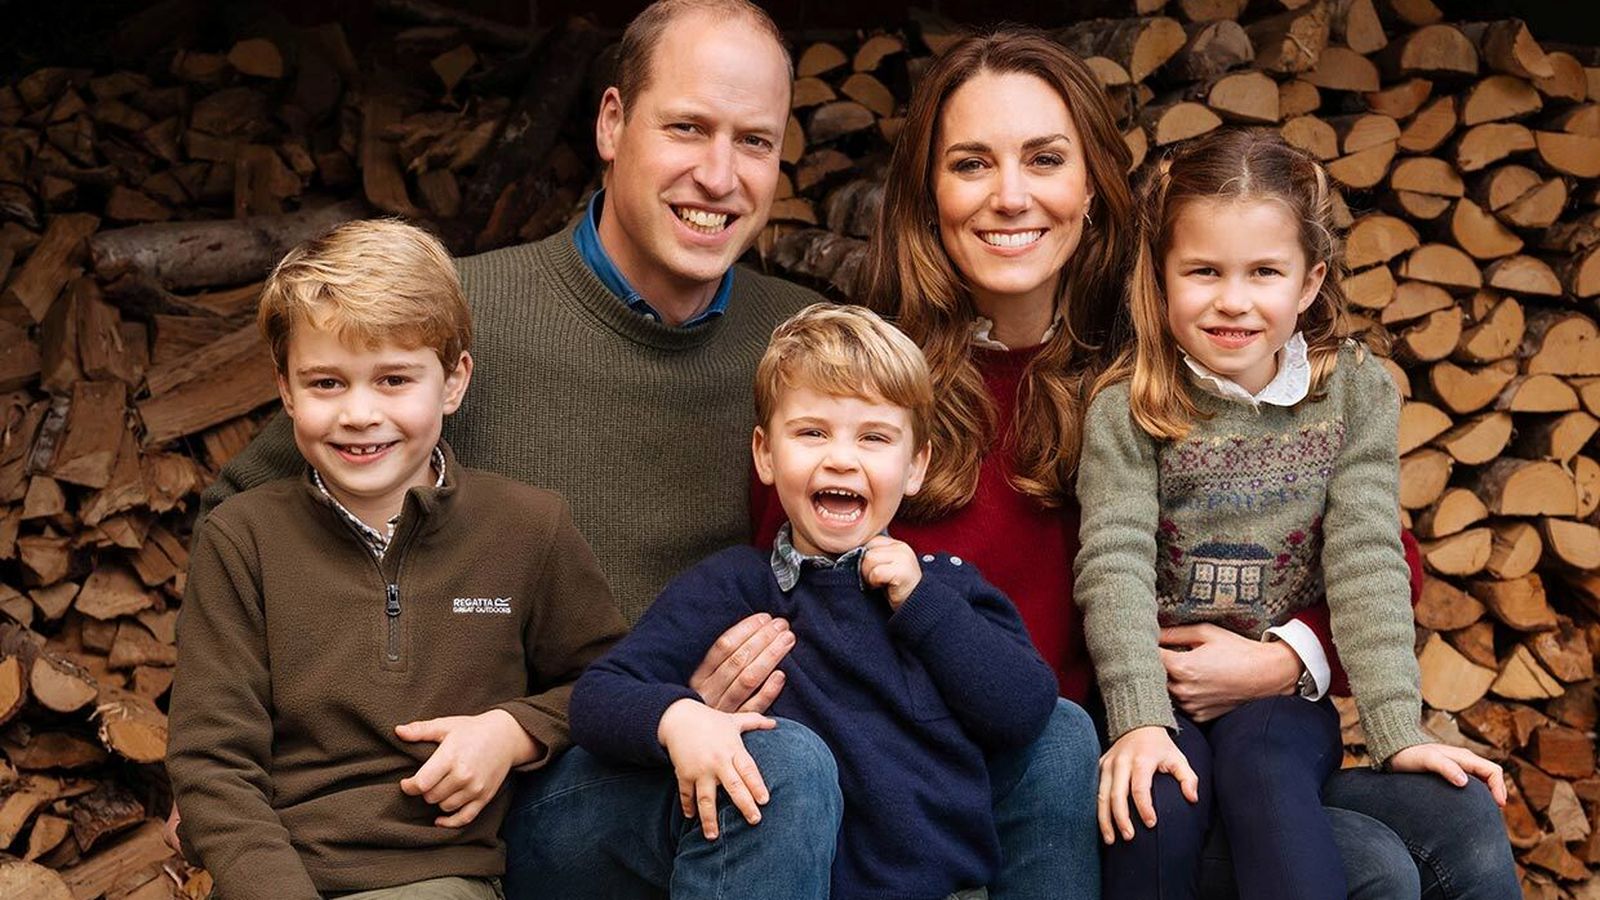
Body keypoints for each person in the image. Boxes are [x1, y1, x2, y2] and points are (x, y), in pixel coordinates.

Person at [184, 4, 1101, 897]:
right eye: (688, 128)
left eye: (752, 141)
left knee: (1048, 734)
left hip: (776, 753)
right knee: (775, 765)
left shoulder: (801, 348)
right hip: (566, 778)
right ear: (613, 123)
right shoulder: (457, 324)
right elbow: (258, 519)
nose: (718, 174)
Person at [756, 26, 1519, 900]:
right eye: (971, 164)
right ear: (928, 194)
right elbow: (791, 575)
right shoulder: (867, 390)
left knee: (1462, 819)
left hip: (1210, 733)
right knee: (1375, 868)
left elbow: (1387, 555)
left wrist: (1285, 658)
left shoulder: (1175, 350)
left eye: (1044, 159)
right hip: (1031, 779)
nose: (1011, 196)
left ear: (1092, 188)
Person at [1075, 128, 1512, 900]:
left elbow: (1368, 557)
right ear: (1161, 275)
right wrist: (1140, 716)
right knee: (1157, 804)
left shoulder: (1352, 393)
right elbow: (1112, 560)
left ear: (1309, 282)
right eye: (1203, 271)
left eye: (1264, 272)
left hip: (1278, 706)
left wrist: (1396, 730)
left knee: (1266, 770)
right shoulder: (1131, 406)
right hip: (1159, 687)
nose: (1233, 300)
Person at [166, 220, 629, 900]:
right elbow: (212, 763)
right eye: (326, 383)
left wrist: (512, 731)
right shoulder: (241, 541)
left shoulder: (529, 528)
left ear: (452, 381)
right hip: (276, 875)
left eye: (393, 379)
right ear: (286, 390)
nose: (359, 413)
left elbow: (606, 682)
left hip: (440, 876)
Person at [572, 304, 1059, 900]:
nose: (841, 458)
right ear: (766, 455)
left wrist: (925, 606)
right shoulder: (734, 587)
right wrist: (681, 718)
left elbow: (1026, 710)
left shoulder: (945, 589)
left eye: (874, 438)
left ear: (916, 467)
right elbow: (599, 696)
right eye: (812, 432)